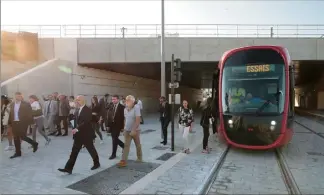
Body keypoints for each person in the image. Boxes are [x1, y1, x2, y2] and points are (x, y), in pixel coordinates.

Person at [58, 95, 100, 174]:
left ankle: (97, 163)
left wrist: (77, 128)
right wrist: (73, 126)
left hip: (86, 134)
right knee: (74, 151)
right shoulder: (76, 109)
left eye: (79, 100)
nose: (77, 101)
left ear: (83, 101)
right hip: (78, 135)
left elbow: (86, 122)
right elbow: (74, 120)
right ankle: (68, 168)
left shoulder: (87, 110)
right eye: (76, 100)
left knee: (91, 149)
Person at [8, 92, 38, 159]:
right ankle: (18, 153)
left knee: (23, 136)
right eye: (17, 96)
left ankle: (34, 143)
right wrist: (9, 123)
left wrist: (32, 123)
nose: (18, 97)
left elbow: (30, 113)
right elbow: (11, 113)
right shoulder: (12, 104)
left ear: (21, 97)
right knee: (15, 137)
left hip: (23, 123)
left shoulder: (26, 104)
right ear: (15, 96)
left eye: (19, 96)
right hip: (14, 122)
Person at [117, 95, 142, 167]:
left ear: (133, 101)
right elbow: (125, 119)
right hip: (127, 130)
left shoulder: (136, 107)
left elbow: (138, 120)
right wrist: (123, 128)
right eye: (126, 100)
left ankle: (139, 157)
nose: (126, 101)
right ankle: (123, 161)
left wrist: (134, 130)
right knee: (126, 146)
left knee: (138, 145)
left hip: (135, 130)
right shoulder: (125, 109)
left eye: (128, 100)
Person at [107, 95, 125, 160]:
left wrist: (122, 127)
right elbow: (109, 116)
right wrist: (108, 126)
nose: (113, 100)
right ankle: (124, 146)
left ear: (118, 99)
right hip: (112, 125)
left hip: (118, 126)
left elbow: (123, 118)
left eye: (114, 99)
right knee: (114, 138)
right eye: (112, 99)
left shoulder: (122, 107)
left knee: (114, 139)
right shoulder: (111, 106)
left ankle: (113, 154)